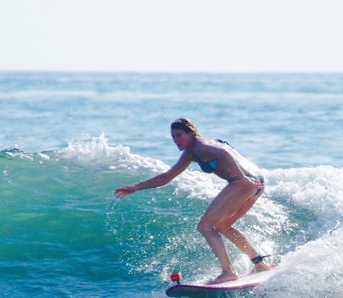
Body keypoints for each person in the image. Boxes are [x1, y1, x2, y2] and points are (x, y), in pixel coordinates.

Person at [114, 118, 272, 284]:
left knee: (205, 226)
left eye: (179, 135)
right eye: (173, 137)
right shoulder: (191, 153)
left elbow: (224, 153)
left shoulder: (201, 147)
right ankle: (259, 263)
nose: (176, 140)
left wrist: (243, 177)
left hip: (242, 184)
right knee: (222, 226)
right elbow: (167, 177)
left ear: (191, 133)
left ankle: (228, 272)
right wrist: (136, 187)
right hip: (253, 184)